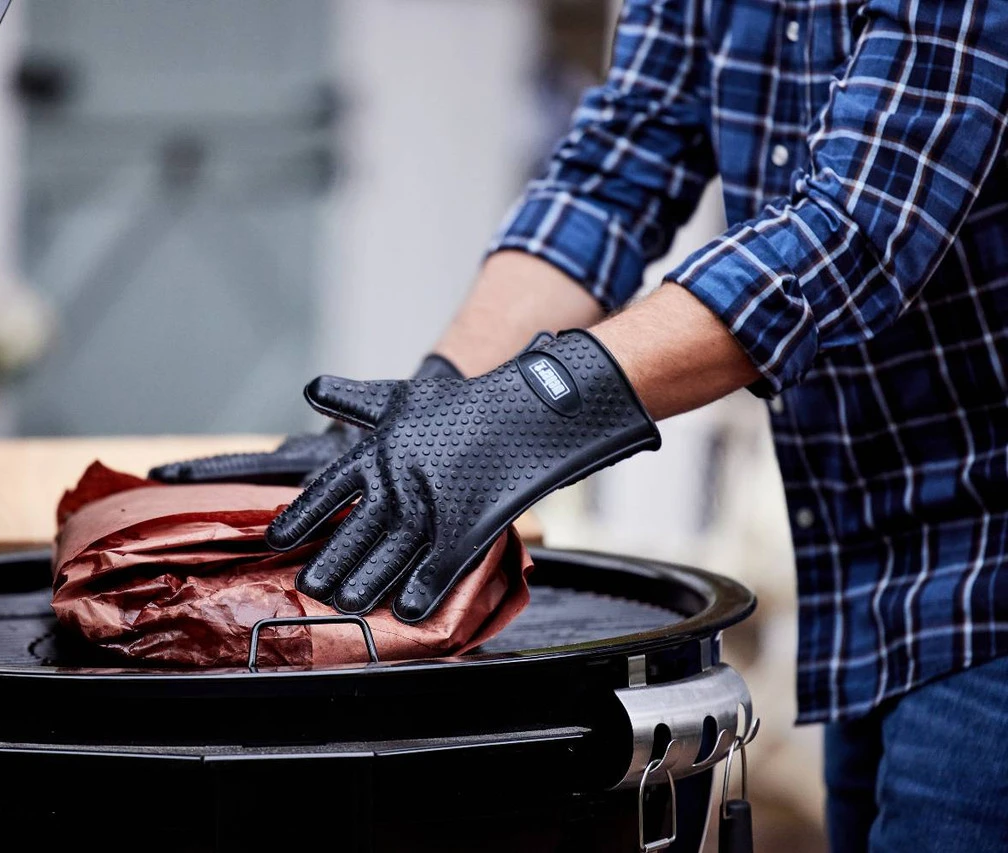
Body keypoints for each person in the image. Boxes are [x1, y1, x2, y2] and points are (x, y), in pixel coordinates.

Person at [154, 1, 1008, 849]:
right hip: (869, 561)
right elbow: (613, 171)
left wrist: (530, 408)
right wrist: (434, 407)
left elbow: (853, 225)